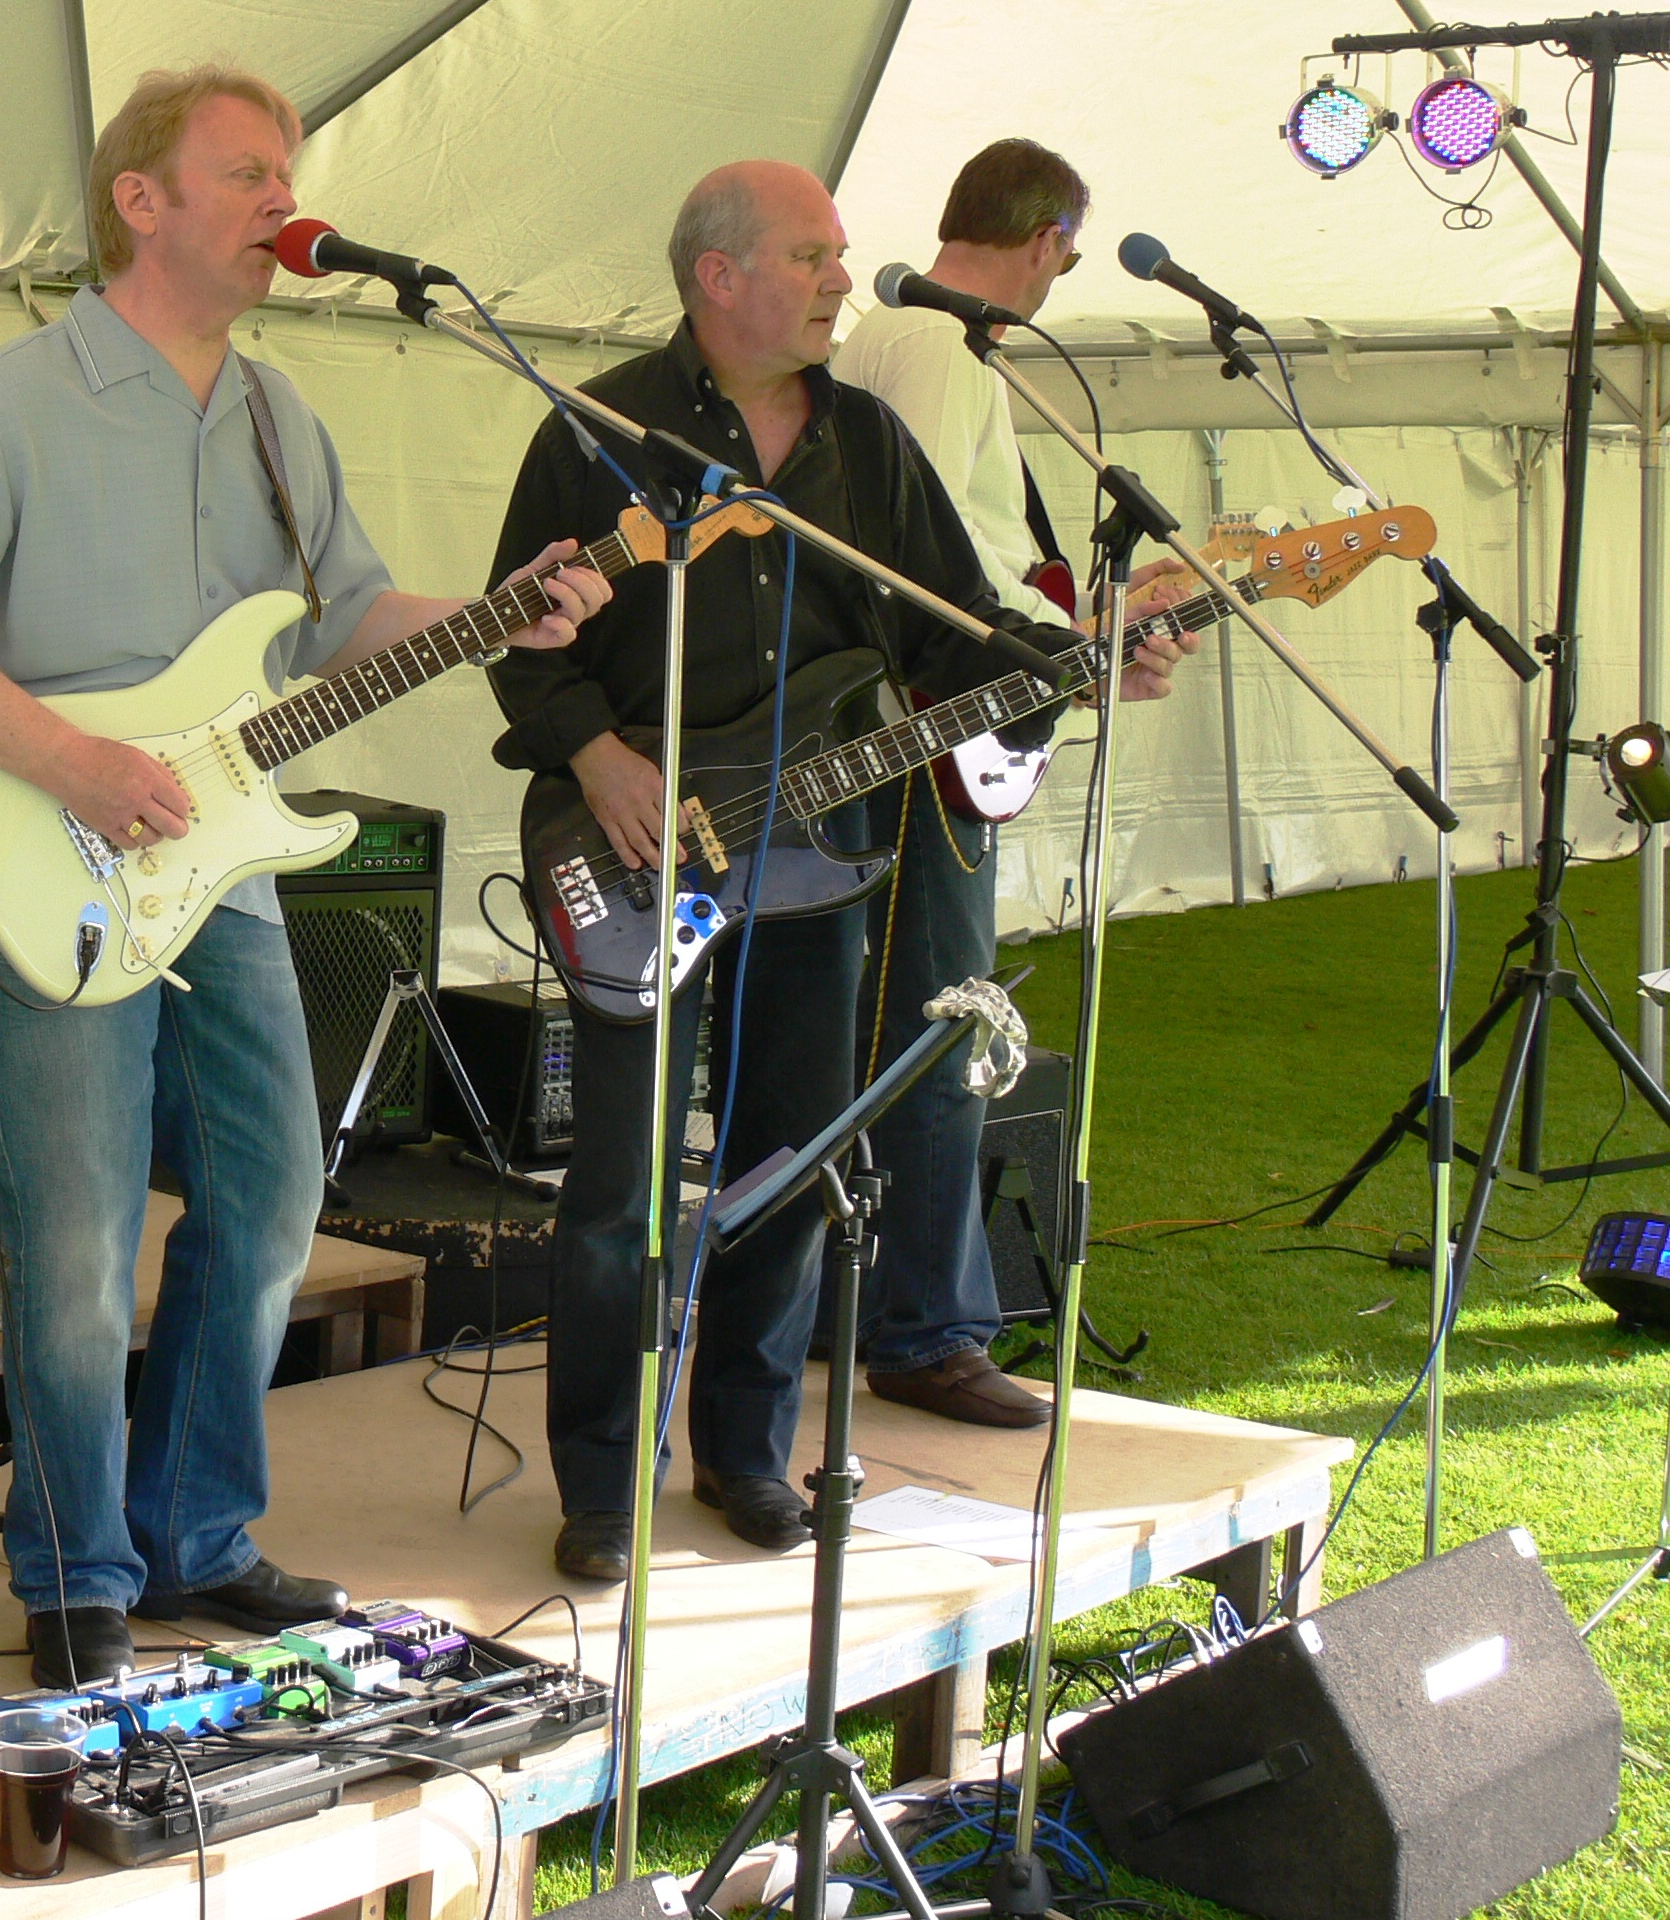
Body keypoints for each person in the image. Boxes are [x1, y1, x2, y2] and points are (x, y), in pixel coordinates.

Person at [0, 67, 609, 1686]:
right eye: (248, 173)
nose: (282, 204)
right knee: (77, 1229)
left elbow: (344, 621)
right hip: (59, 850)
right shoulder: (19, 400)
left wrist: (496, 612)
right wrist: (72, 761)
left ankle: (193, 1532)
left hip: (224, 863)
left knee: (270, 1191)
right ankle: (73, 1572)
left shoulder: (274, 416)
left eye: (286, 175)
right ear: (141, 199)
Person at [483, 160, 1190, 1582]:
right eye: (811, 256)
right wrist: (599, 757)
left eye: (840, 255)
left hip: (819, 864)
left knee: (790, 1162)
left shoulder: (867, 442)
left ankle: (745, 1454)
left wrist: (1083, 667)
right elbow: (520, 637)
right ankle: (603, 1488)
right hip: (633, 852)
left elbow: (953, 635)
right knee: (620, 1186)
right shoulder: (600, 432)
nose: (842, 281)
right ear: (719, 275)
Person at [828, 139, 1173, 1429]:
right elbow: (910, 567)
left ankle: (875, 1311)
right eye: (1066, 261)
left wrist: (1083, 643)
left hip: (925, 727)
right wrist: (1054, 652)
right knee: (941, 1021)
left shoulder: (917, 341)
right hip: (919, 738)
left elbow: (966, 560)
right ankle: (925, 1331)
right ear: (1046, 242)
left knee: (900, 1024)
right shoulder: (931, 346)